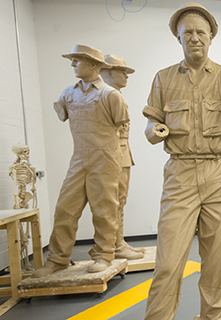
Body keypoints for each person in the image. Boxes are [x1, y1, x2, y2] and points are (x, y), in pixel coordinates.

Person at [142, 3, 221, 320]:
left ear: (211, 37)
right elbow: (151, 123)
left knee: (217, 257)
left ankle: (213, 316)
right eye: (187, 33)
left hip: (219, 171)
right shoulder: (163, 79)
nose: (194, 38)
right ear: (178, 38)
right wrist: (155, 130)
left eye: (200, 32)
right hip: (180, 172)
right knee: (168, 261)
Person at [33, 44, 129, 277]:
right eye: (73, 60)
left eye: (78, 60)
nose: (73, 64)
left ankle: (105, 254)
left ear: (94, 65)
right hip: (79, 159)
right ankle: (58, 259)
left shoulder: (110, 95)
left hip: (105, 159)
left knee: (104, 210)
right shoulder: (68, 93)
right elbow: (62, 113)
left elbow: (121, 123)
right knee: (65, 209)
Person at [100, 54, 145, 260]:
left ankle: (119, 242)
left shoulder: (114, 95)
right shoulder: (104, 96)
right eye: (122, 71)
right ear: (107, 72)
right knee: (113, 202)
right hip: (112, 155)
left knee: (120, 200)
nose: (126, 75)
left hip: (122, 154)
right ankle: (113, 246)